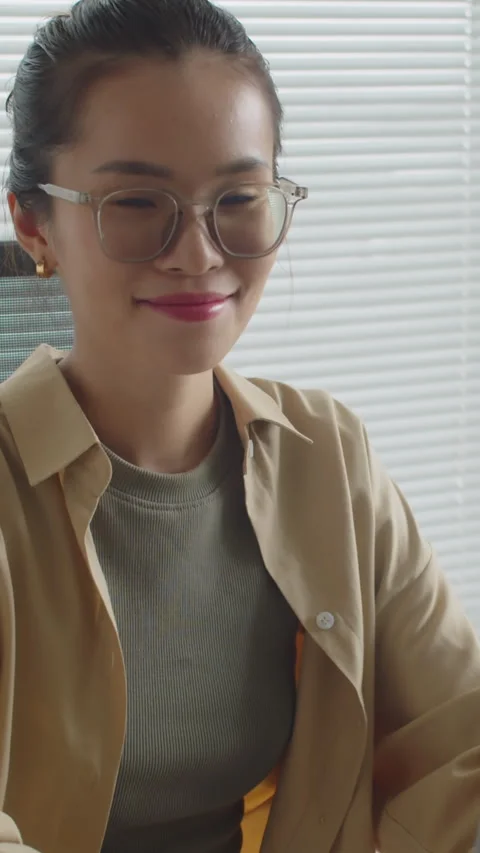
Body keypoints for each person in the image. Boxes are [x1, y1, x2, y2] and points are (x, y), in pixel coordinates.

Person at [1, 0, 480, 851]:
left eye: (239, 196)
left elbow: (459, 743)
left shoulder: (329, 456)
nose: (198, 252)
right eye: (139, 201)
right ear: (34, 223)